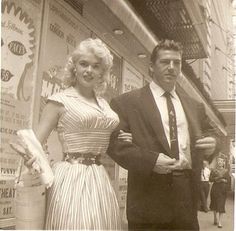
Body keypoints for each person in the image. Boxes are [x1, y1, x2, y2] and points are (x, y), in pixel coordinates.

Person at [107, 39, 217, 231]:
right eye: (165, 62)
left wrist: (213, 144)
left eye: (177, 63)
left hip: (187, 201)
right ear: (151, 66)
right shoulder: (127, 103)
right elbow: (115, 145)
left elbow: (211, 134)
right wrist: (151, 161)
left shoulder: (194, 106)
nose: (171, 67)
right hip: (148, 201)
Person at [24, 38, 123, 230]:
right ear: (74, 67)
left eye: (96, 66)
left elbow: (101, 134)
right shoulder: (60, 100)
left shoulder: (103, 103)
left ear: (102, 72)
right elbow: (33, 143)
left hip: (99, 178)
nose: (89, 70)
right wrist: (40, 164)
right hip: (71, 177)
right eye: (83, 64)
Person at [209, 153, 229, 228]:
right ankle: (215, 218)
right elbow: (210, 179)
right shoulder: (214, 170)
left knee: (221, 205)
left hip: (222, 190)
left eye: (221, 161)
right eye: (219, 161)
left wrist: (224, 180)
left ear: (224, 162)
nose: (220, 162)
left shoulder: (226, 171)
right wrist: (216, 179)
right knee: (214, 204)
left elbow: (228, 181)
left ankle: (220, 222)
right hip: (215, 189)